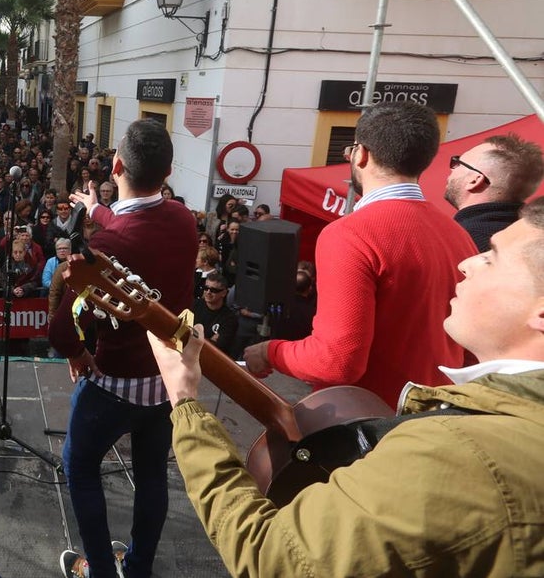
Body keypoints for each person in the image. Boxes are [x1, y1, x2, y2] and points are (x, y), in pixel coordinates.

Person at [152, 200, 544, 577]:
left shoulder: (457, 453)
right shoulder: (449, 230)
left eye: (490, 257)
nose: (467, 262)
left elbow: (272, 555)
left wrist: (186, 401)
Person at [244, 102, 477, 406]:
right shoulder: (458, 234)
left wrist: (269, 352)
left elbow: (336, 361)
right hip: (433, 419)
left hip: (368, 425)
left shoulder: (350, 234)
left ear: (361, 154)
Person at [48, 118, 198, 578]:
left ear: (115, 166)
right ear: (168, 171)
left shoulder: (109, 244)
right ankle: (137, 568)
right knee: (152, 475)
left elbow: (60, 327)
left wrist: (77, 353)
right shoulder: (184, 220)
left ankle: (98, 570)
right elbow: (137, 229)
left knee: (79, 467)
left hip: (112, 384)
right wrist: (97, 211)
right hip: (166, 384)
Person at [445, 133, 544, 252]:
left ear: (475, 180)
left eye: (457, 163)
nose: (452, 169)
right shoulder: (534, 240)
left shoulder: (458, 241)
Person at [192, 271, 238, 356]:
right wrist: (210, 340)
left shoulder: (229, 318)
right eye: (206, 288)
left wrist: (194, 336)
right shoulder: (194, 305)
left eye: (214, 290)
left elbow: (218, 347)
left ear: (224, 293)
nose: (208, 292)